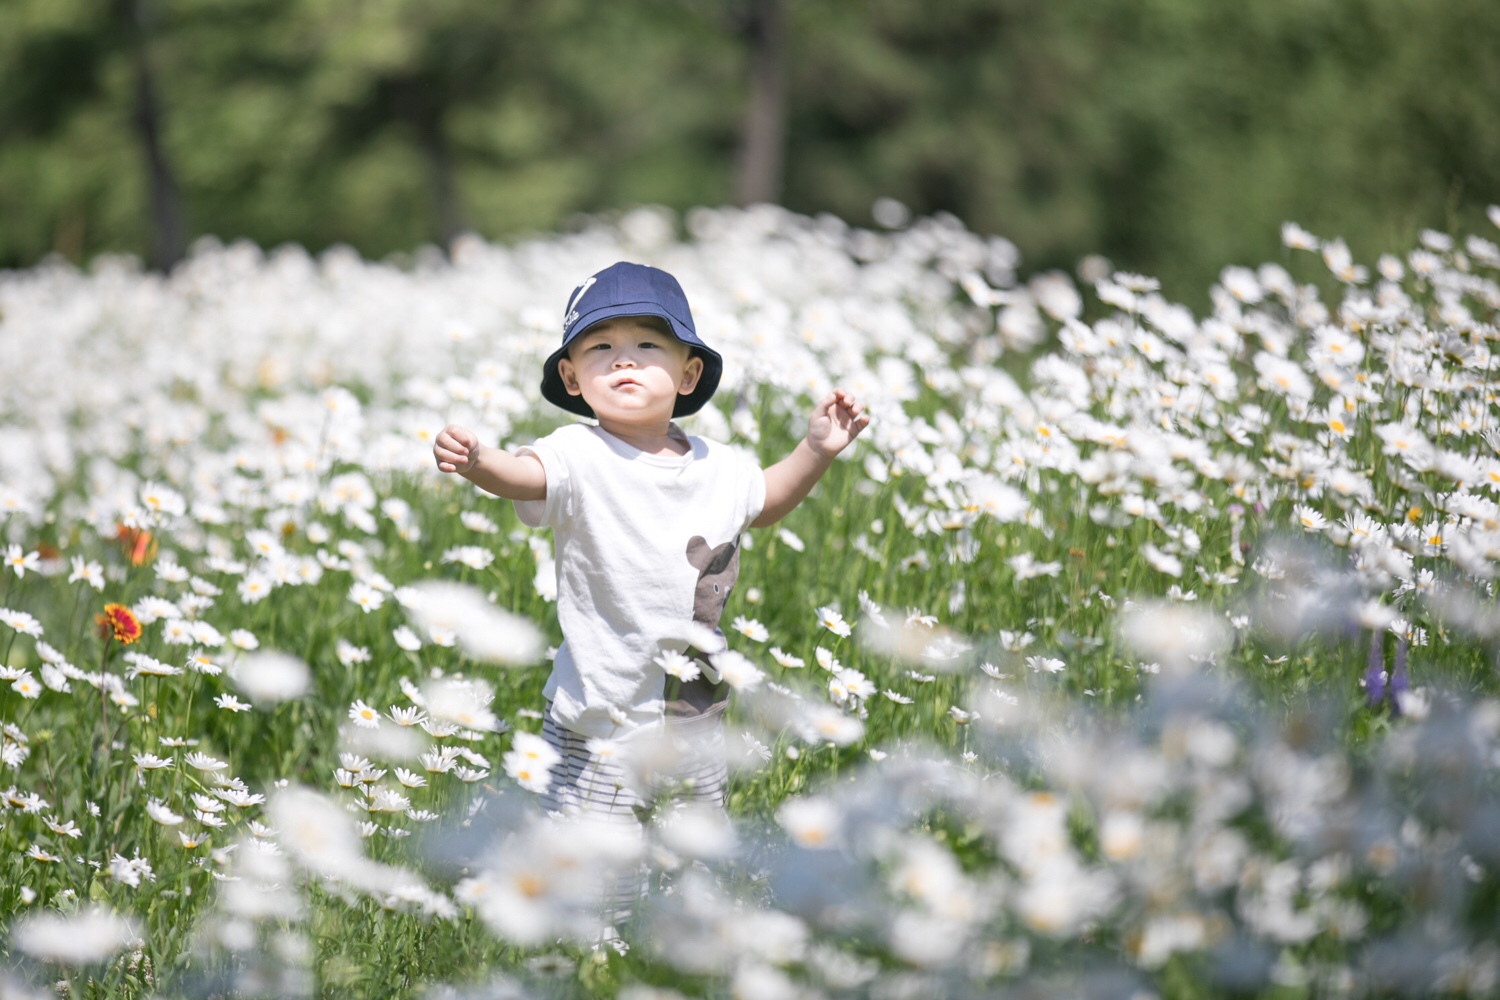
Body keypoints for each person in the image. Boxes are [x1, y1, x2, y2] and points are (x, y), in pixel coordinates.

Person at [432, 260, 868, 929]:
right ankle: (589, 956)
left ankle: (683, 957)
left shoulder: (718, 467)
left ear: (688, 374)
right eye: (600, 348)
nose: (623, 362)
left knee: (694, 863)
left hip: (692, 716)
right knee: (588, 874)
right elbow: (524, 478)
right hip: (598, 715)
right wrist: (480, 463)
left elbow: (768, 500)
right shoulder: (576, 454)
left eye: (647, 345)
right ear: (573, 379)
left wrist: (816, 450)